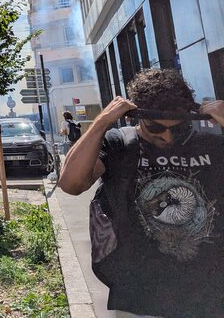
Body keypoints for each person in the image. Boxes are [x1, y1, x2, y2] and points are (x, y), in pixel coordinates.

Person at [58, 69, 224, 317]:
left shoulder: (211, 145)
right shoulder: (119, 144)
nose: (167, 136)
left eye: (177, 129)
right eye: (155, 127)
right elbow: (71, 184)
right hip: (137, 295)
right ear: (137, 118)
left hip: (208, 294)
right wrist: (101, 122)